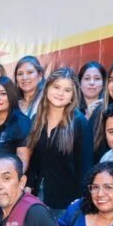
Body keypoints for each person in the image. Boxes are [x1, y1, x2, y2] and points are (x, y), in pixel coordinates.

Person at [25, 68, 93, 217]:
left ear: (73, 95)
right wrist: (29, 185)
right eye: (56, 87)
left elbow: (85, 167)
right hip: (37, 197)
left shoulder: (79, 122)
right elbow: (35, 158)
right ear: (47, 88)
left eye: (67, 90)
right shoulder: (37, 119)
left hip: (67, 203)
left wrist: (80, 202)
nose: (60, 93)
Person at [15, 56, 45, 120]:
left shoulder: (47, 100)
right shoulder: (13, 104)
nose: (24, 77)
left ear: (40, 76)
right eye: (20, 74)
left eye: (30, 72)